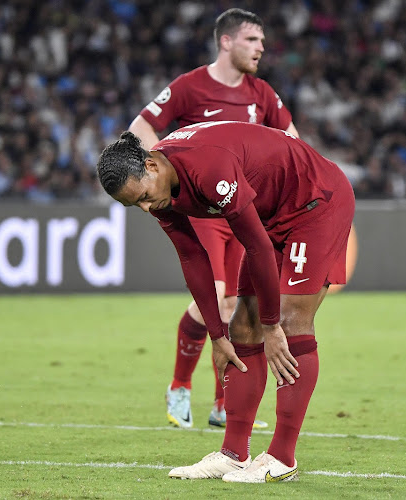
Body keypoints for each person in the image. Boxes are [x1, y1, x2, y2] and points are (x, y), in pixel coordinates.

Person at [96, 121, 355, 482]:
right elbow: (191, 257)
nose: (144, 208)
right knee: (240, 327)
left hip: (315, 202)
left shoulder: (207, 168)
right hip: (273, 215)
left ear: (151, 166)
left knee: (290, 320)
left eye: (141, 197)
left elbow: (258, 246)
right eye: (134, 205)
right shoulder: (159, 188)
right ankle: (234, 454)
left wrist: (272, 327)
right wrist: (217, 335)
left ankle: (282, 459)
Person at [128, 8, 298, 430]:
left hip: (243, 211)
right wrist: (160, 169)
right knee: (219, 301)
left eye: (262, 41)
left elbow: (293, 142)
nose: (261, 48)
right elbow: (140, 127)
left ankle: (223, 405)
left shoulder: (262, 94)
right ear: (226, 41)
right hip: (201, 207)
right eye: (252, 40)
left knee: (237, 306)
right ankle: (180, 386)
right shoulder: (190, 86)